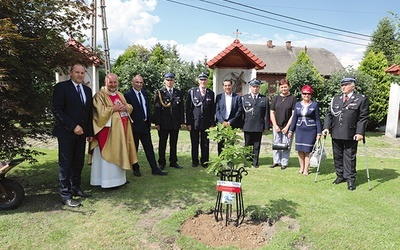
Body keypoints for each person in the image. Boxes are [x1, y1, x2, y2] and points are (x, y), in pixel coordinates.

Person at [52, 63, 94, 207]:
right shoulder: (61, 88)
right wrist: (72, 126)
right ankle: (65, 195)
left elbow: (88, 114)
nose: (80, 75)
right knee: (66, 164)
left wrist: (90, 133)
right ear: (71, 73)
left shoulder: (88, 91)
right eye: (77, 72)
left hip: (82, 135)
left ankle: (75, 188)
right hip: (66, 133)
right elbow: (57, 110)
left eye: (82, 73)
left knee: (78, 163)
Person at [89, 73, 138, 188]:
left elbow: (128, 106)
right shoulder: (99, 95)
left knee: (120, 151)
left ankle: (119, 180)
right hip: (107, 134)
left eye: (115, 82)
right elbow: (99, 112)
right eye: (110, 82)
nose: (113, 84)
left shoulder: (120, 95)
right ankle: (105, 181)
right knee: (107, 160)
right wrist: (113, 109)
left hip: (121, 132)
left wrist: (127, 108)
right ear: (105, 82)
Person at [322, 77, 369, 191]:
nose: (343, 87)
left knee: (349, 157)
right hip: (336, 131)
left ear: (353, 86)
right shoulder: (336, 99)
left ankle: (350, 179)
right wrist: (326, 127)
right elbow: (329, 114)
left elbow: (363, 117)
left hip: (350, 133)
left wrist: (360, 132)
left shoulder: (360, 99)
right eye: (342, 85)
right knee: (337, 156)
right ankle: (340, 176)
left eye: (346, 85)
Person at [124, 75, 167, 176]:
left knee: (149, 148)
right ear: (132, 83)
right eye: (137, 82)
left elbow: (147, 109)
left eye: (141, 83)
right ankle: (136, 168)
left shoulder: (145, 93)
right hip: (134, 127)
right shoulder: (127, 95)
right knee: (134, 148)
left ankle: (154, 168)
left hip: (145, 126)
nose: (139, 84)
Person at [288, 85, 322, 176]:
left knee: (307, 150)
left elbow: (317, 119)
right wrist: (291, 130)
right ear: (301, 94)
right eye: (304, 93)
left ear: (311, 95)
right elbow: (294, 118)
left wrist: (319, 133)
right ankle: (301, 168)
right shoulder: (297, 104)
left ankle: (306, 169)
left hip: (311, 130)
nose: (306, 95)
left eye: (308, 94)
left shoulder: (315, 105)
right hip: (299, 129)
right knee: (300, 150)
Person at [154, 72, 185, 169]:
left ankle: (173, 161)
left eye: (171, 80)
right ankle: (161, 163)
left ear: (174, 81)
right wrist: (157, 122)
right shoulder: (160, 92)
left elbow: (181, 108)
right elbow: (157, 108)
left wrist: (182, 121)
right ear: (164, 81)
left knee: (173, 143)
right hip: (163, 123)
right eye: (167, 80)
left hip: (175, 122)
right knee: (162, 143)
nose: (169, 82)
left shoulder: (178, 92)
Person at [186, 72, 215, 168]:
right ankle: (195, 161)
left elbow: (212, 110)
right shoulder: (192, 92)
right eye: (201, 79)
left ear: (207, 81)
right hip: (194, 122)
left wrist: (212, 123)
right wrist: (188, 123)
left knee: (205, 143)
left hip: (206, 123)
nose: (203, 81)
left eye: (204, 79)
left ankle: (204, 161)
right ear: (198, 81)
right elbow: (188, 108)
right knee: (194, 143)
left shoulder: (211, 93)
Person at [242, 79, 270, 168]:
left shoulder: (264, 99)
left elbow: (267, 114)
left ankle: (255, 162)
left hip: (258, 125)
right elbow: (241, 113)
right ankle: (247, 161)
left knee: (257, 145)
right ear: (250, 87)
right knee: (247, 145)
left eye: (257, 87)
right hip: (247, 125)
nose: (255, 89)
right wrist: (240, 125)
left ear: (259, 87)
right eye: (253, 87)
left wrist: (266, 126)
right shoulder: (245, 98)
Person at [270, 78, 296, 170]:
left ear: (288, 87)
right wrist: (275, 125)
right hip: (277, 125)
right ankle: (276, 161)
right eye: (282, 87)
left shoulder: (292, 98)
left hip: (287, 126)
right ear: (279, 88)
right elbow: (272, 112)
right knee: (276, 144)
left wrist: (287, 127)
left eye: (285, 87)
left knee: (286, 145)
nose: (284, 89)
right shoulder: (276, 98)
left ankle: (284, 163)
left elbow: (293, 114)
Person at [215, 79, 243, 155]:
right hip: (221, 124)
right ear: (223, 87)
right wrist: (222, 121)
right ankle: (221, 161)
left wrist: (230, 122)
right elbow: (217, 110)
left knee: (231, 143)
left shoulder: (237, 97)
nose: (227, 87)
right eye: (225, 85)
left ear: (232, 86)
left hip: (232, 124)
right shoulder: (219, 97)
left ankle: (230, 161)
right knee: (220, 143)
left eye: (229, 85)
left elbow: (239, 111)